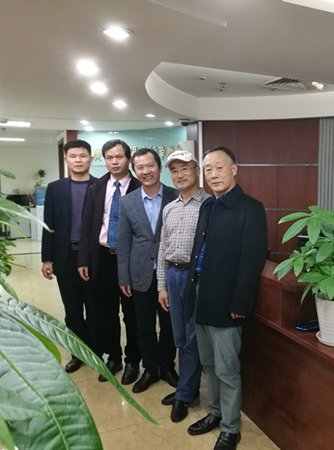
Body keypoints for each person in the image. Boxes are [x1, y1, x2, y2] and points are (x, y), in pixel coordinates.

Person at [186, 147, 267, 450]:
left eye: (219, 168)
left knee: (227, 368)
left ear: (234, 169)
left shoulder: (250, 208)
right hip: (200, 294)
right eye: (208, 169)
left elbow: (252, 260)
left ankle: (231, 428)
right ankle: (216, 413)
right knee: (208, 363)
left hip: (226, 299)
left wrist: (240, 302)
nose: (213, 174)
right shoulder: (207, 206)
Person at [78, 139, 141, 384]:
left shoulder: (139, 186)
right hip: (102, 257)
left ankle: (133, 360)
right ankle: (114, 357)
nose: (114, 162)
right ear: (104, 160)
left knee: (132, 314)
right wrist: (84, 259)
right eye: (109, 158)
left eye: (119, 157)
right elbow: (87, 225)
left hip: (129, 258)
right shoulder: (96, 187)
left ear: (128, 159)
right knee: (106, 313)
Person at [117, 148, 179, 393]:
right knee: (143, 326)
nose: (146, 171)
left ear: (160, 167)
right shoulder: (127, 201)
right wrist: (123, 276)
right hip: (139, 273)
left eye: (150, 166)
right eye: (140, 167)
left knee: (169, 325)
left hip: (170, 273)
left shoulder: (176, 196)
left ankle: (167, 366)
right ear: (135, 171)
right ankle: (151, 368)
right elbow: (123, 242)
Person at [156, 149, 210, 422]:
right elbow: (162, 248)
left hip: (195, 277)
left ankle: (185, 393)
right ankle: (188, 387)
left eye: (184, 168)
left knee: (192, 338)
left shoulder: (209, 205)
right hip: (173, 275)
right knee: (179, 336)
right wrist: (161, 286)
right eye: (174, 170)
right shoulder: (169, 207)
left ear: (197, 171)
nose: (179, 175)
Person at [41, 139, 99, 373]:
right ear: (66, 160)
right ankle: (78, 353)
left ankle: (96, 352)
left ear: (90, 160)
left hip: (93, 258)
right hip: (65, 257)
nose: (78, 160)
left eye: (83, 156)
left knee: (95, 308)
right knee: (72, 310)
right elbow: (48, 224)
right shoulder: (55, 188)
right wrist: (46, 258)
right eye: (73, 156)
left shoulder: (100, 186)